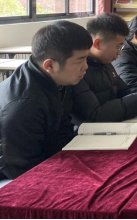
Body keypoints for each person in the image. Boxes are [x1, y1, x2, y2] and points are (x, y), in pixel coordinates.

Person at [0, 21, 92, 180]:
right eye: (79, 61)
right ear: (50, 65)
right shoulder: (24, 105)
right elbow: (22, 169)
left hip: (42, 159)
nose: (86, 67)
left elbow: (62, 131)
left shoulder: (57, 80)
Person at [72, 13, 137, 124]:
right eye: (118, 46)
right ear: (98, 43)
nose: (120, 52)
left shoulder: (105, 63)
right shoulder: (79, 71)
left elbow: (124, 91)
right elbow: (95, 115)